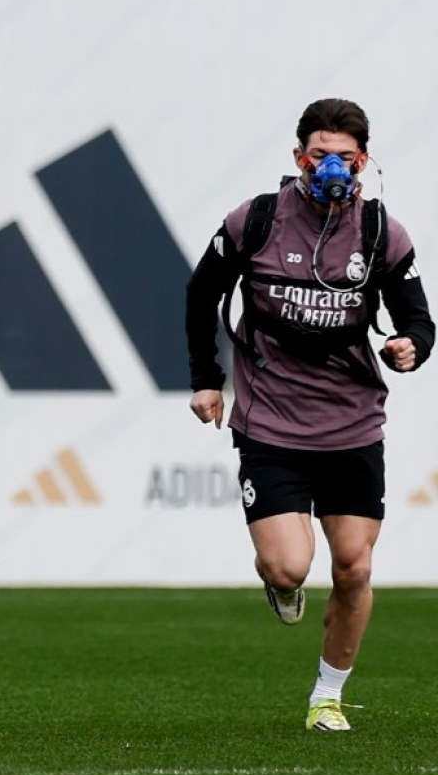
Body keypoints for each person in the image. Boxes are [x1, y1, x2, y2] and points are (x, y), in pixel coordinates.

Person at [185, 97, 433, 733]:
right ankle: (281, 584)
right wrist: (206, 379)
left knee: (354, 566)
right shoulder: (256, 220)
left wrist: (410, 347)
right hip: (270, 422)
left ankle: (328, 696)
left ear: (363, 161)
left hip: (352, 423)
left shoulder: (380, 232)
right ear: (300, 157)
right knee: (288, 565)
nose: (332, 168)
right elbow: (201, 291)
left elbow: (419, 321)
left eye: (344, 157)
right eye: (321, 155)